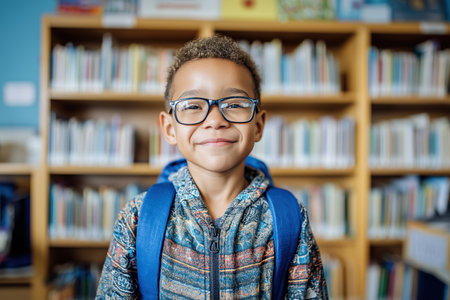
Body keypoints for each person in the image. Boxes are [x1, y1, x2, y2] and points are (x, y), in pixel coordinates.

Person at [96, 35, 328, 299]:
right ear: (170, 129)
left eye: (235, 104)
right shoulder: (138, 218)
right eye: (193, 106)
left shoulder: (289, 219)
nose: (215, 120)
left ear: (259, 126)